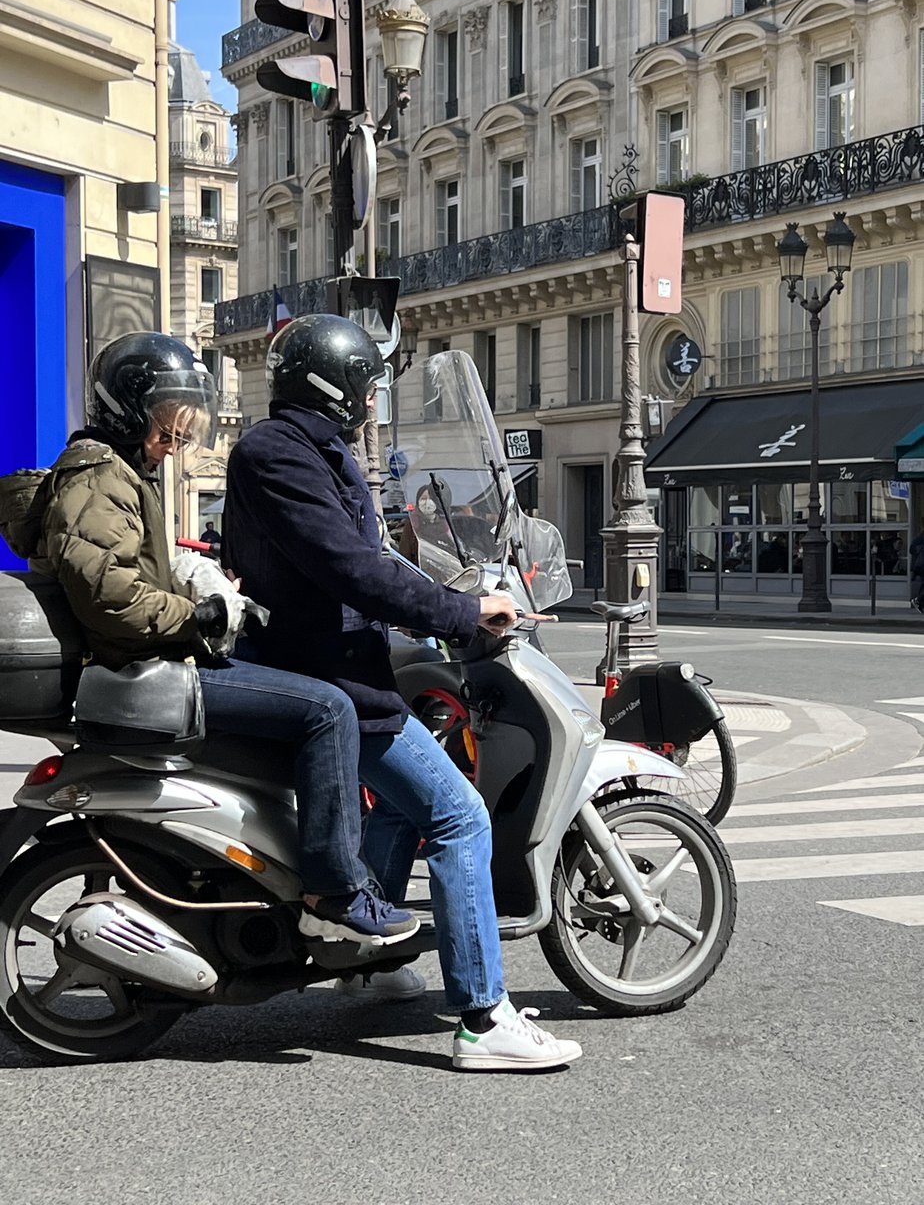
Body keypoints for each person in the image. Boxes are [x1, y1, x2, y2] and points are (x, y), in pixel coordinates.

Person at [223, 314, 582, 1072]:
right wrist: (457, 614)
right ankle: (485, 1017)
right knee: (460, 816)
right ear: (337, 384)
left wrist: (451, 590)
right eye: (366, 383)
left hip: (340, 662)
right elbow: (347, 567)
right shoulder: (278, 452)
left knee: (403, 808)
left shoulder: (314, 450)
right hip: (326, 674)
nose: (370, 397)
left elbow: (376, 554)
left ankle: (377, 960)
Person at [30, 331, 416, 947]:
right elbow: (111, 598)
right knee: (327, 709)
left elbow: (132, 567)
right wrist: (203, 614)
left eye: (183, 431)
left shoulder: (117, 474)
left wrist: (202, 579)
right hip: (139, 671)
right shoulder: (99, 479)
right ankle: (333, 891)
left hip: (143, 662)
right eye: (166, 426)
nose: (174, 443)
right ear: (127, 410)